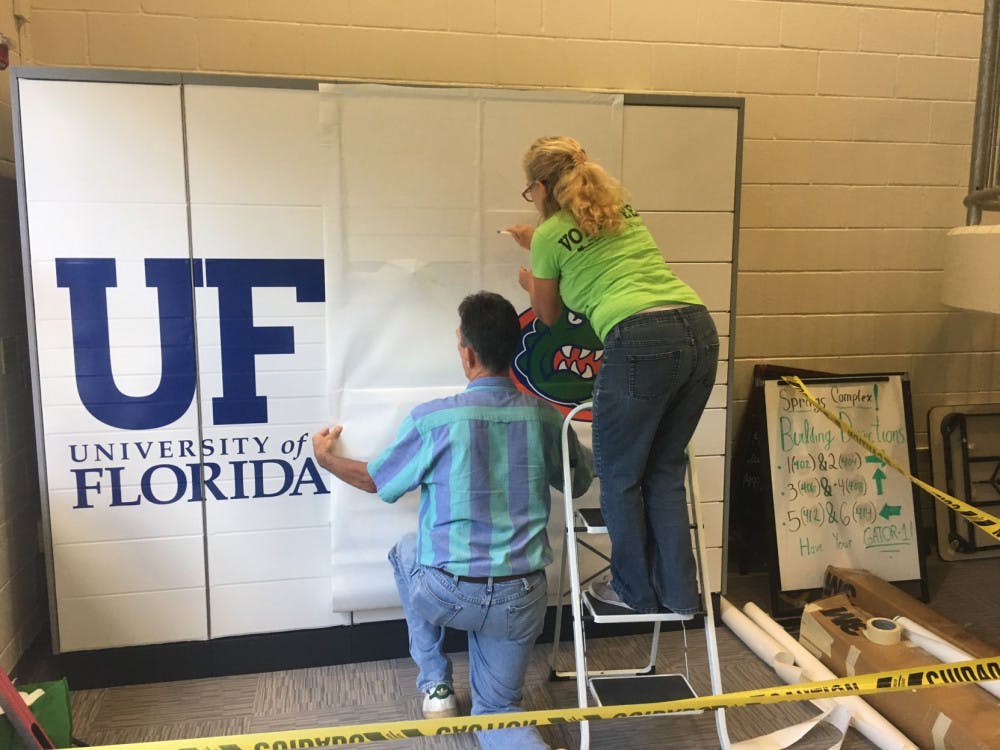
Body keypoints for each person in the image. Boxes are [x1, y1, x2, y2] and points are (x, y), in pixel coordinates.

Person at [312, 290, 592, 750]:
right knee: (500, 713)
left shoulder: (434, 420)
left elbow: (375, 481)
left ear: (466, 353)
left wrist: (326, 459)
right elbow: (579, 483)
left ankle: (436, 685)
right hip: (520, 597)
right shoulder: (545, 418)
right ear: (515, 350)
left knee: (406, 551)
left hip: (447, 590)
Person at [504, 136, 719, 617]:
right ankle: (681, 595)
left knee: (620, 475)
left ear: (539, 187)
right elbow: (593, 251)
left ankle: (633, 591)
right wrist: (538, 247)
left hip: (639, 337)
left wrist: (530, 277)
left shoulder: (548, 235)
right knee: (664, 469)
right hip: (698, 329)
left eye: (529, 191)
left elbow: (549, 317)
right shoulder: (619, 208)